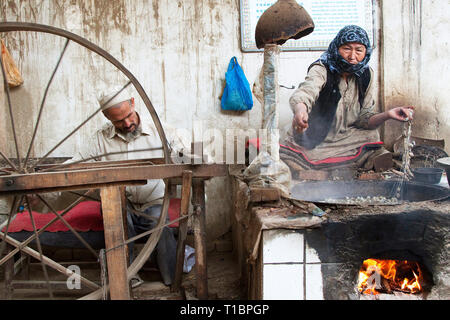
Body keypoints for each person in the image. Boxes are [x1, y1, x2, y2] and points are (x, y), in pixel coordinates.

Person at [70, 88, 188, 287]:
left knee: (162, 224)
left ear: (133, 103)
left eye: (128, 116)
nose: (126, 124)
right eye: (118, 121)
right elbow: (74, 166)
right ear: (106, 117)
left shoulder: (161, 130)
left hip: (154, 200)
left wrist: (188, 154)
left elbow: (184, 151)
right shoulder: (100, 139)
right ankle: (126, 276)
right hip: (119, 203)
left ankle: (172, 279)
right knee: (119, 221)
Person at [282, 25, 414, 171]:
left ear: (366, 52)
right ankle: (338, 163)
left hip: (348, 138)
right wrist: (301, 111)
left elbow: (365, 119)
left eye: (359, 50)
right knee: (299, 151)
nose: (352, 56)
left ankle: (333, 164)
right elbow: (306, 92)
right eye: (346, 49)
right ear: (337, 48)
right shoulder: (322, 69)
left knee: (372, 136)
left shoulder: (366, 74)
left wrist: (388, 115)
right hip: (318, 137)